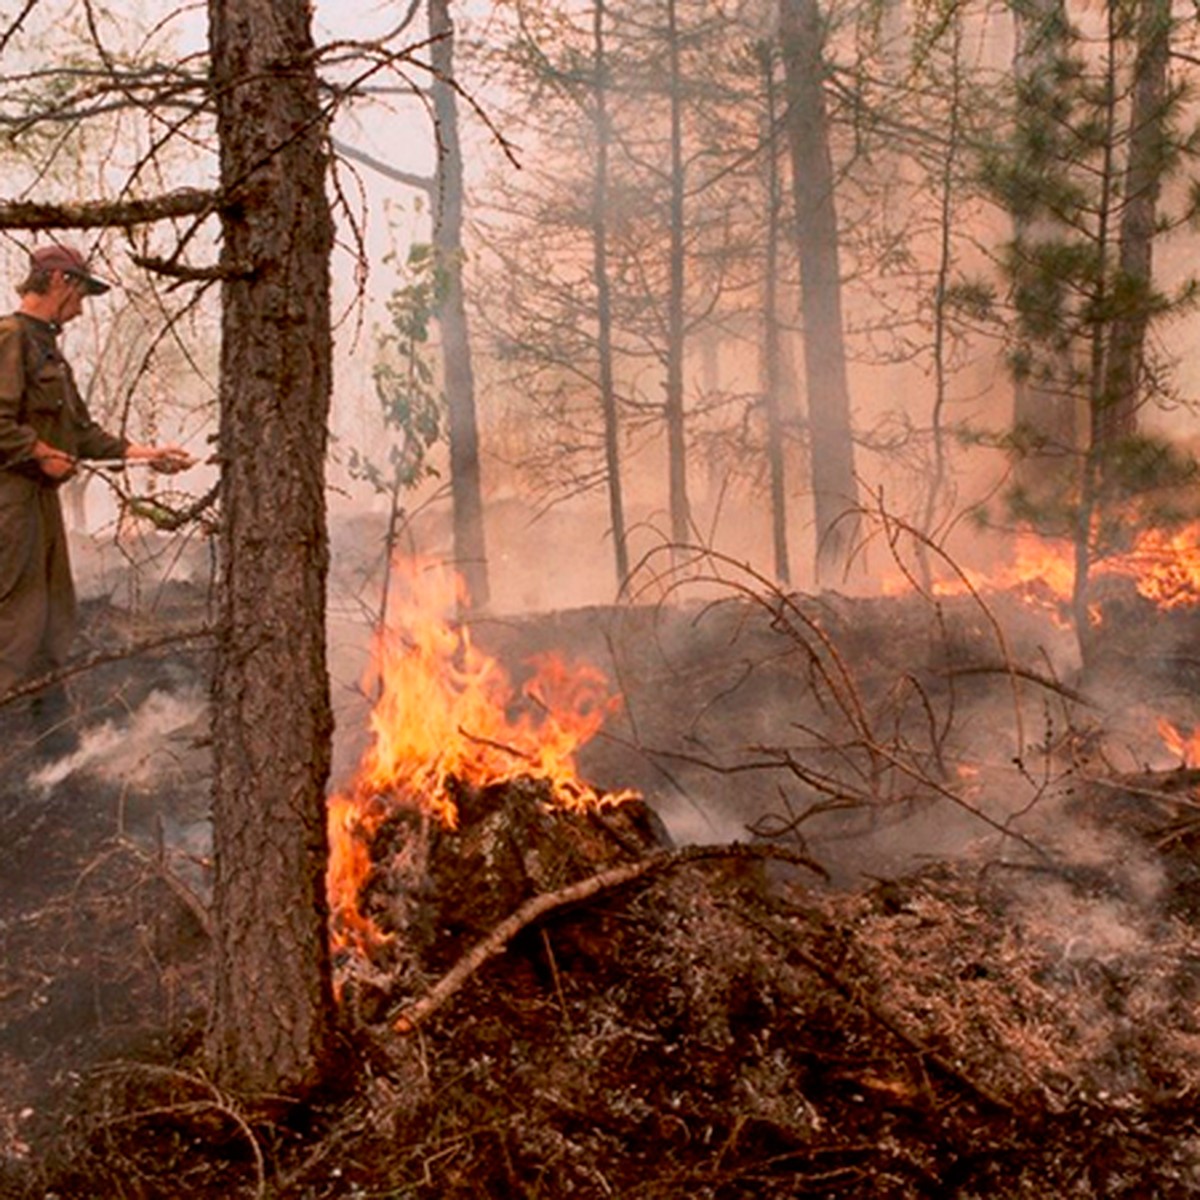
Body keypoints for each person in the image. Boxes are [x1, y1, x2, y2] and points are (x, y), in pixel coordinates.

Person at [0, 242, 194, 757]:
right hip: (8, 507)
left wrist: (145, 454)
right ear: (60, 281)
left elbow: (83, 435)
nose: (83, 306)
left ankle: (55, 755)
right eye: (81, 293)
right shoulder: (10, 337)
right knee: (13, 626)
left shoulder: (48, 348)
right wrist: (39, 452)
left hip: (37, 509)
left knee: (49, 623)